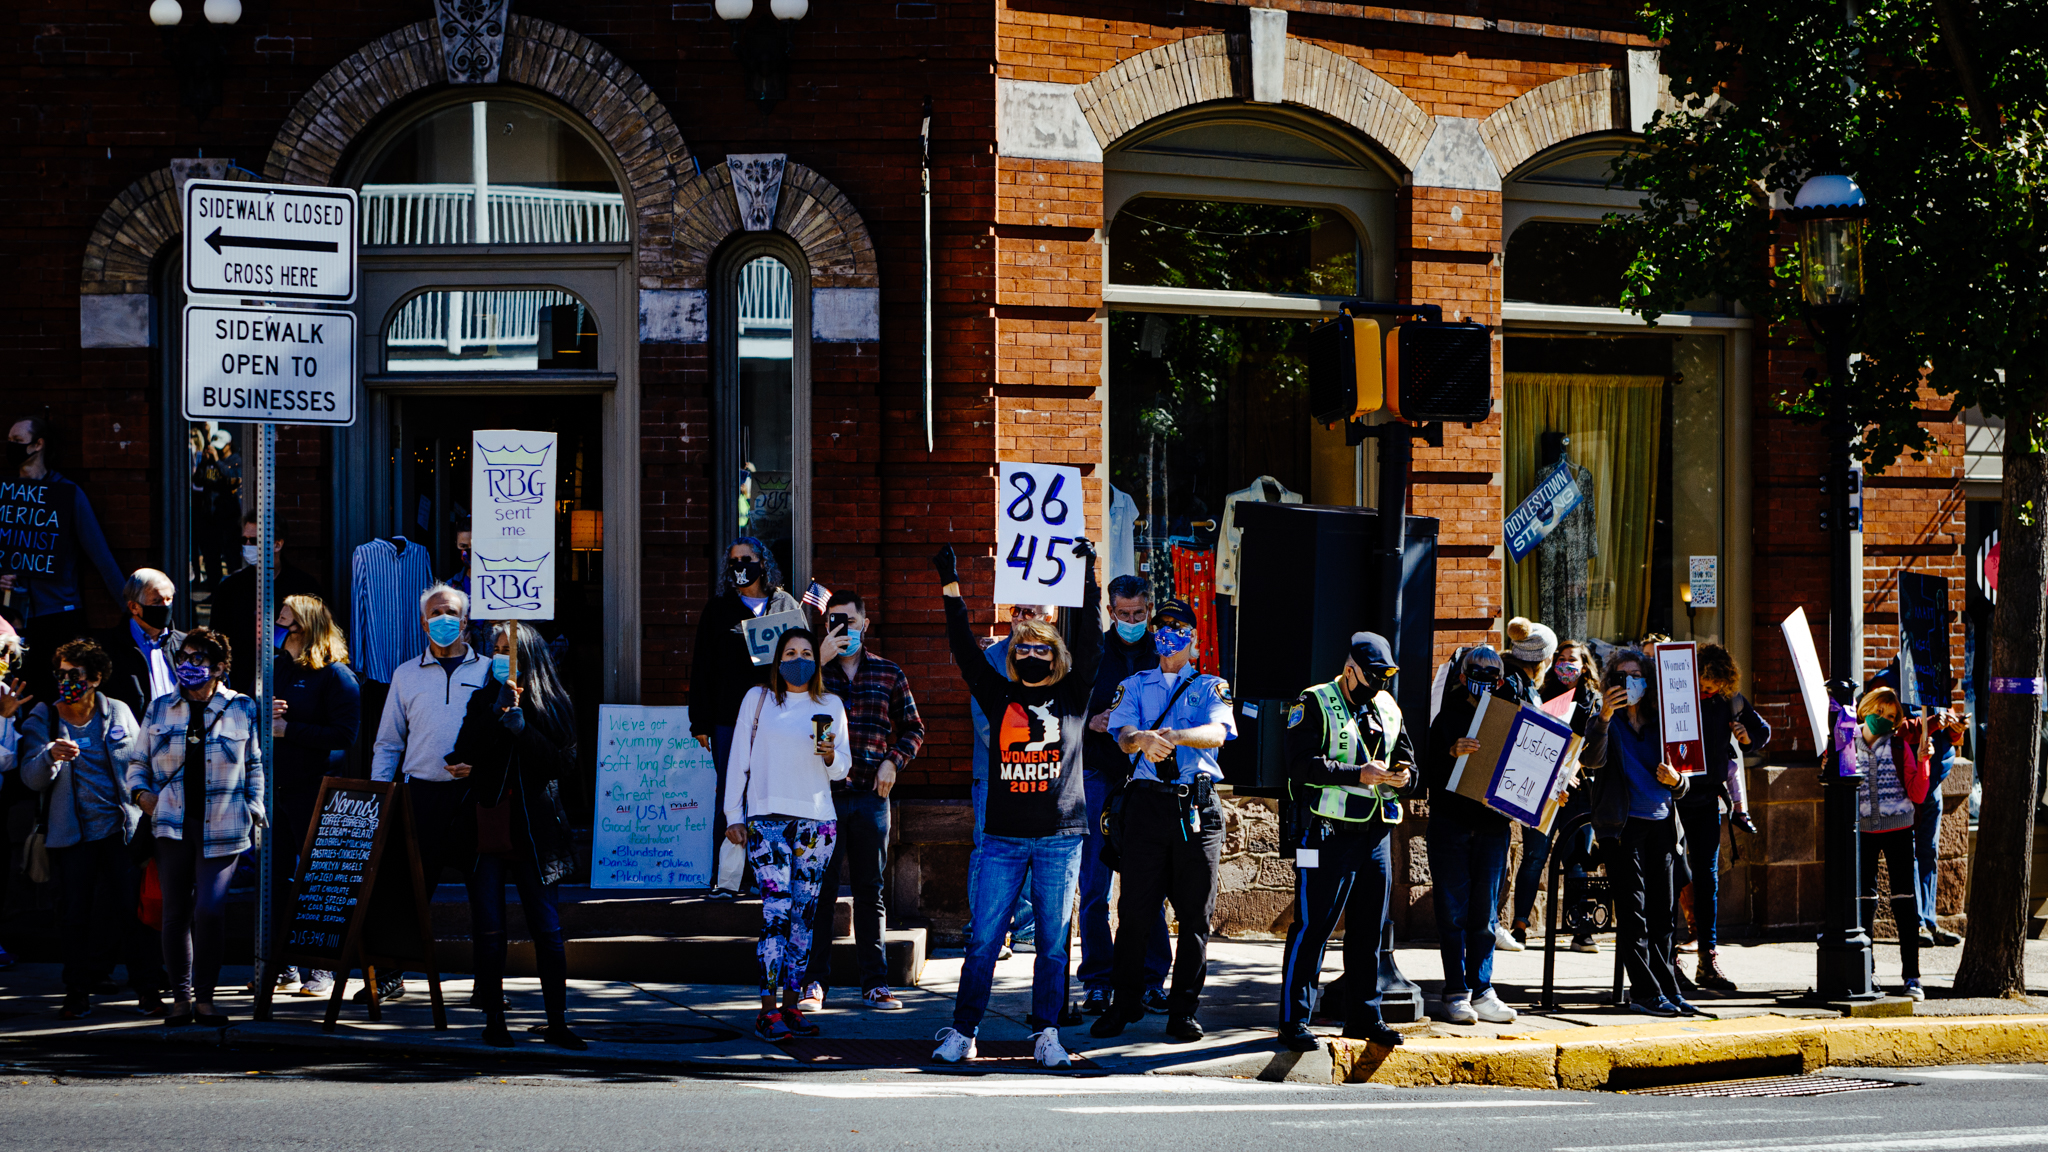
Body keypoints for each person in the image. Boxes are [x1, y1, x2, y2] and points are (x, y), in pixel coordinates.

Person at [930, 538, 1098, 1068]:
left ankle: (1047, 1032)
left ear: (1056, 656)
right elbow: (961, 649)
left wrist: (1087, 573)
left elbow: (1093, 640)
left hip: (1060, 838)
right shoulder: (997, 692)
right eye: (1022, 648)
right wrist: (951, 587)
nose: (1030, 654)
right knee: (983, 940)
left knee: (1051, 943)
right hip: (1002, 838)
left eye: (1041, 647)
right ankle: (963, 1031)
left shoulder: (1073, 695)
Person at [1089, 597, 1236, 1043]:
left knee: (1194, 915)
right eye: (1163, 626)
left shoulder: (1211, 686)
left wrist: (1176, 736)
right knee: (1133, 911)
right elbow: (1122, 734)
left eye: (1179, 627)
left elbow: (1219, 732)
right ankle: (1125, 1002)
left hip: (1196, 807)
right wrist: (1143, 741)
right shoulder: (1134, 684)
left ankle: (1183, 1010)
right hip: (1148, 807)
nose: (1169, 634)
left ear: (1194, 638)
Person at [446, 621, 585, 1049]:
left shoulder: (555, 702)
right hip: (489, 823)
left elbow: (562, 766)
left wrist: (524, 729)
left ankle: (557, 1021)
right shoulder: (483, 698)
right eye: (498, 647)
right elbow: (464, 750)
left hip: (536, 830)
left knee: (546, 927)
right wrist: (496, 715)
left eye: (512, 649)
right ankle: (494, 1019)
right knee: (489, 927)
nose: (503, 655)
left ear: (531, 656)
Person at [1275, 632, 1413, 1052]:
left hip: (1375, 832)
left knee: (1369, 931)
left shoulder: (1387, 706)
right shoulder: (1313, 701)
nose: (1378, 686)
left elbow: (1408, 758)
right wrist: (1358, 774)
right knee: (1313, 927)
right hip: (1326, 831)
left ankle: (1364, 1017)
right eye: (1371, 677)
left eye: (1384, 678)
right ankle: (1294, 1020)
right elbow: (1298, 765)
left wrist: (1405, 776)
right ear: (1350, 669)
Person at [125, 628, 265, 1027]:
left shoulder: (241, 707)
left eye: (198, 658)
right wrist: (142, 797)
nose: (188, 666)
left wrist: (253, 808)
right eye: (183, 657)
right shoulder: (159, 708)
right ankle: (181, 1000)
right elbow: (137, 764)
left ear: (220, 666)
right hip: (171, 824)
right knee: (175, 913)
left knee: (210, 911)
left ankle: (206, 999)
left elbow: (255, 764)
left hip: (224, 825)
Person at [19, 638, 163, 1019]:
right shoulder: (44, 717)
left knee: (133, 912)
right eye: (61, 673)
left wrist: (144, 797)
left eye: (75, 674)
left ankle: (147, 989)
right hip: (73, 835)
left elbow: (139, 762)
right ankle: (76, 992)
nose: (66, 681)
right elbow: (31, 778)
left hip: (120, 830)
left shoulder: (116, 712)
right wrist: (50, 755)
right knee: (74, 915)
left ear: (95, 678)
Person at [801, 591, 924, 1012]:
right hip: (822, 797)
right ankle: (814, 981)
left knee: (871, 890)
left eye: (850, 622)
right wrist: (816, 661)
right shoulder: (812, 673)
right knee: (821, 890)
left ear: (866, 625)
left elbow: (913, 729)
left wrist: (894, 760)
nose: (843, 630)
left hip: (872, 795)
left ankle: (875, 983)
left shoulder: (889, 673)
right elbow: (784, 705)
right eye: (835, 621)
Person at [369, 583, 493, 1002]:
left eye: (452, 613)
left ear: (466, 620)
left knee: (486, 895)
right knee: (406, 892)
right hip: (420, 796)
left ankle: (487, 985)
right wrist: (381, 797)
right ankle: (389, 975)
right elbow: (387, 742)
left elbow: (505, 739)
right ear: (423, 622)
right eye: (436, 613)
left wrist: (484, 767)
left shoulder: (491, 671)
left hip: (476, 796)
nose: (444, 620)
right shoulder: (405, 674)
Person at [723, 628, 848, 1043]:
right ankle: (766, 1009)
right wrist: (733, 814)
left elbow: (840, 770)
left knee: (804, 918)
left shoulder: (830, 704)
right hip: (768, 821)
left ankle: (792, 1005)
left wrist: (829, 752)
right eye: (790, 652)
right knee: (775, 913)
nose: (799, 659)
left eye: (807, 653)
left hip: (817, 822)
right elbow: (738, 759)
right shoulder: (758, 700)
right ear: (777, 661)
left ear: (817, 660)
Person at [1589, 647, 1700, 1018]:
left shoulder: (1662, 722)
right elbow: (1590, 759)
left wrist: (1678, 780)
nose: (1628, 684)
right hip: (1621, 827)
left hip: (1662, 825)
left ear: (1648, 682)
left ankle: (1668, 988)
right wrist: (1604, 716)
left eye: (1635, 677)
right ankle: (1645, 992)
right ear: (1609, 683)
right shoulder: (1603, 718)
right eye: (1620, 677)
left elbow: (1684, 779)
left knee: (1663, 915)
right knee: (1633, 914)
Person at [690, 537, 804, 898]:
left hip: (779, 716)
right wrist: (701, 722)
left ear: (763, 562)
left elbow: (804, 658)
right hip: (728, 717)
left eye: (748, 558)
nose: (741, 565)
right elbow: (702, 668)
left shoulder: (786, 605)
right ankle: (727, 878)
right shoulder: (718, 609)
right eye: (734, 560)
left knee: (772, 791)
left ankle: (767, 875)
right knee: (731, 792)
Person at [1078, 575, 1171, 1015]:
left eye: (1138, 614)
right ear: (1110, 611)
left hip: (1148, 780)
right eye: (1123, 614)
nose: (1131, 621)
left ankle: (1151, 979)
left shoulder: (1163, 653)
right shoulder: (1092, 653)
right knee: (1094, 885)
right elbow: (1063, 708)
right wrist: (1089, 722)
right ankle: (1097, 980)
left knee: (1147, 883)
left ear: (1148, 610)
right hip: (1099, 775)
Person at [268, 594, 362, 999]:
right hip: (275, 790)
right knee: (275, 880)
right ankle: (283, 965)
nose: (277, 627)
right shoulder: (274, 669)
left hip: (315, 792)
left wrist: (290, 731)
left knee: (317, 881)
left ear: (302, 628)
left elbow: (345, 737)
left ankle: (320, 967)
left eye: (285, 621)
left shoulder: (335, 675)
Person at [1421, 645, 1520, 1025]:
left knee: (1485, 914)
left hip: (1493, 826)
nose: (1482, 677)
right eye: (1475, 670)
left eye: (1490, 672)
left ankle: (1483, 989)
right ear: (1462, 675)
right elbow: (1423, 770)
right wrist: (1450, 751)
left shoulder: (1508, 711)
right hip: (1451, 823)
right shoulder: (1443, 713)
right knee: (1452, 911)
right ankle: (1456, 991)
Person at [1, 416, 128, 704]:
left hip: (59, 614)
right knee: (19, 698)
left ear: (38, 445)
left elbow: (100, 555)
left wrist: (131, 612)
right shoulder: (6, 495)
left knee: (62, 696)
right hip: (15, 619)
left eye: (17, 442)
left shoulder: (67, 494)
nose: (10, 447)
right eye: (9, 441)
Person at [1849, 686, 1959, 1001]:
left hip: (1898, 827)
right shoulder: (1847, 741)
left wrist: (1924, 762)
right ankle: (1865, 972)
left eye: (1890, 716)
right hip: (1863, 830)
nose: (1883, 719)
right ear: (1866, 708)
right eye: (1879, 712)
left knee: (1904, 902)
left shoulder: (1899, 745)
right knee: (1864, 903)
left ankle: (1912, 976)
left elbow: (1918, 792)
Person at [969, 602, 1059, 956]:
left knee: (1032, 849)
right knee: (988, 849)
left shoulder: (1057, 659)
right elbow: (983, 714)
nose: (1023, 617)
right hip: (995, 772)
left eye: (1032, 611)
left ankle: (1024, 929)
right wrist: (1017, 753)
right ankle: (983, 930)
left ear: (1049, 617)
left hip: (1039, 773)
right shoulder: (991, 658)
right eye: (1018, 610)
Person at [1680, 643, 1769, 992]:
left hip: (1705, 799)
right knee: (1674, 874)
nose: (1707, 690)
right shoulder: (1677, 702)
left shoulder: (1729, 701)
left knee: (1707, 879)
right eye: (1703, 683)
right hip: (1673, 796)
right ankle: (1668, 957)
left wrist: (1747, 739)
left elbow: (1762, 733)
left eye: (1714, 684)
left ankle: (1707, 959)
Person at [1492, 617, 1556, 954]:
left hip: (1503, 783)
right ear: (1543, 660)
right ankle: (1491, 923)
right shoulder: (1518, 684)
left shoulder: (1506, 675)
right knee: (1494, 853)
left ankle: (1493, 923)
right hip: (1505, 783)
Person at [214, 512, 324, 694]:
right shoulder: (230, 588)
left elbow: (317, 636)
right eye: (244, 540)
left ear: (277, 544)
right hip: (241, 681)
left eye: (254, 540)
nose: (247, 546)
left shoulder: (303, 587)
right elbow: (217, 638)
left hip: (292, 682)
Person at [95, 569, 183, 722]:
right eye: (156, 601)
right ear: (134, 607)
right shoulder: (108, 650)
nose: (165, 606)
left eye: (169, 599)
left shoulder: (185, 645)